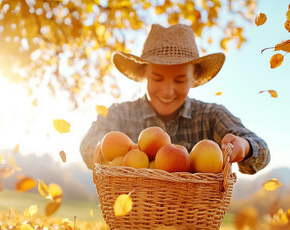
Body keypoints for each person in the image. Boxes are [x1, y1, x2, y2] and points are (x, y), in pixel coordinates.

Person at [80, 24, 270, 174]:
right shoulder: (121, 113)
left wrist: (243, 146)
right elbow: (87, 146)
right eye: (157, 78)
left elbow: (262, 152)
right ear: (143, 73)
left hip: (192, 218)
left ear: (193, 78)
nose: (168, 91)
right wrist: (115, 149)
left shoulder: (210, 115)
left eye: (180, 80)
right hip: (132, 215)